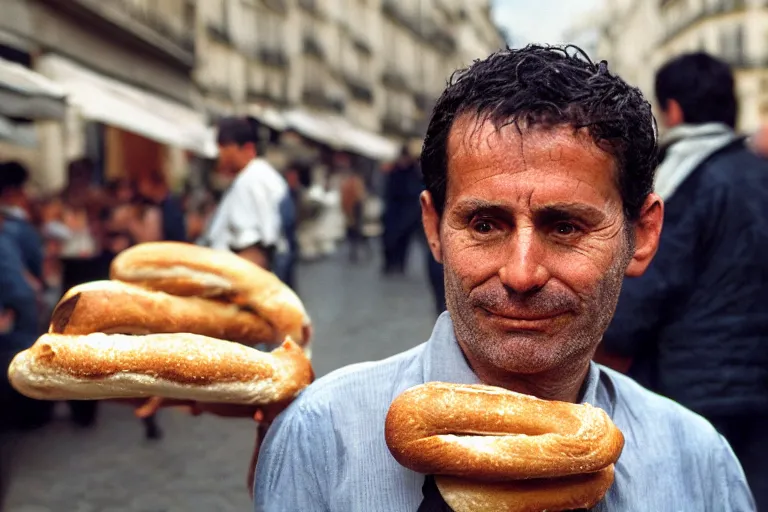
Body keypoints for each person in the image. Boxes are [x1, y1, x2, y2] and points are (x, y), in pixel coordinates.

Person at [252, 46, 755, 511]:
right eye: (485, 225)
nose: (521, 274)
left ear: (641, 236)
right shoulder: (321, 437)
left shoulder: (700, 465)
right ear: (433, 229)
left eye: (565, 227)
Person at [598, 52, 768, 508]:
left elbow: (652, 284)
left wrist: (609, 328)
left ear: (672, 109)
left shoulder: (686, 181)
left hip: (697, 384)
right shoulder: (759, 171)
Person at [199, 117, 290, 273]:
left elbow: (256, 252)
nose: (219, 155)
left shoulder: (251, 180)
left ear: (245, 148)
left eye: (222, 147)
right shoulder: (254, 176)